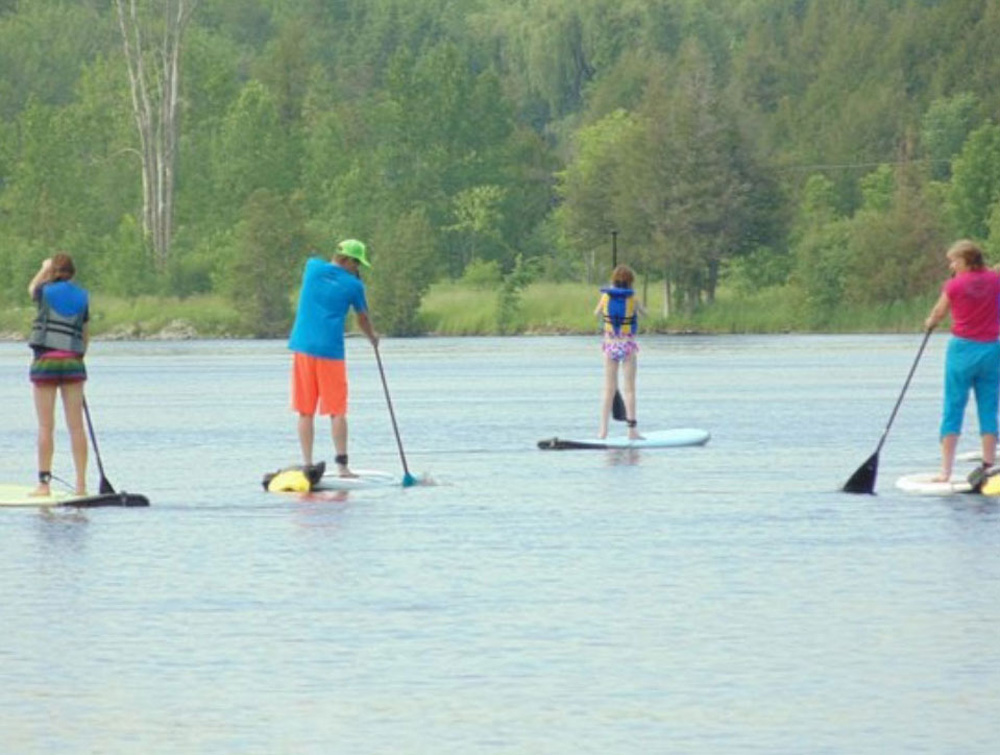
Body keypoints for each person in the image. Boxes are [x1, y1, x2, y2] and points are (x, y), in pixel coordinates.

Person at [288, 238, 379, 478]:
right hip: (330, 351)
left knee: (305, 410)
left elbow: (326, 269)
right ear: (348, 260)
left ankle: (307, 464)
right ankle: (342, 467)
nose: (358, 268)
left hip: (303, 347)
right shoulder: (354, 286)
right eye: (357, 263)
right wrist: (372, 338)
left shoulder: (312, 267)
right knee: (337, 410)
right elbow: (363, 319)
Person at [924, 239, 1000, 483]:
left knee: (953, 406)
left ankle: (945, 471)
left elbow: (938, 313)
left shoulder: (954, 286)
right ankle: (988, 465)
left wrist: (929, 324)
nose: (952, 266)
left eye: (954, 261)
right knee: (988, 407)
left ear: (967, 261)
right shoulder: (995, 280)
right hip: (991, 349)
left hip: (963, 351)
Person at [27, 254, 90, 496]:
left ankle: (44, 485)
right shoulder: (82, 296)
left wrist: (43, 268)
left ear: (53, 272)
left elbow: (31, 288)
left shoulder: (45, 291)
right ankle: (82, 485)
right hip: (73, 363)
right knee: (76, 427)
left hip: (46, 363)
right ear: (72, 274)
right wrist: (78, 359)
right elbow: (85, 335)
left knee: (46, 426)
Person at [594, 264, 644, 440]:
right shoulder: (633, 298)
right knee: (629, 389)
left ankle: (603, 431)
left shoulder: (605, 297)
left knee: (608, 389)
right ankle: (632, 430)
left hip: (610, 346)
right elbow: (644, 314)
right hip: (628, 346)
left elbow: (596, 314)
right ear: (630, 281)